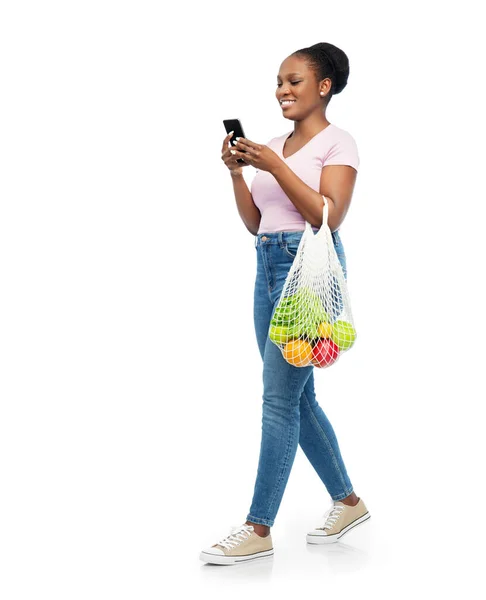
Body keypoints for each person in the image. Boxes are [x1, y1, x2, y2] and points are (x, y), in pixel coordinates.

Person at [200, 42, 370, 566]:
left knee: (278, 401)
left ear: (324, 87)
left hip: (310, 271)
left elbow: (327, 215)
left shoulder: (339, 144)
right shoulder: (272, 144)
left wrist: (275, 165)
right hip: (268, 264)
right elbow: (257, 222)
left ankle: (258, 527)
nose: (282, 90)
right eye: (279, 81)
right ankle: (348, 502)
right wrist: (237, 172)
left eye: (294, 81)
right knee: (296, 398)